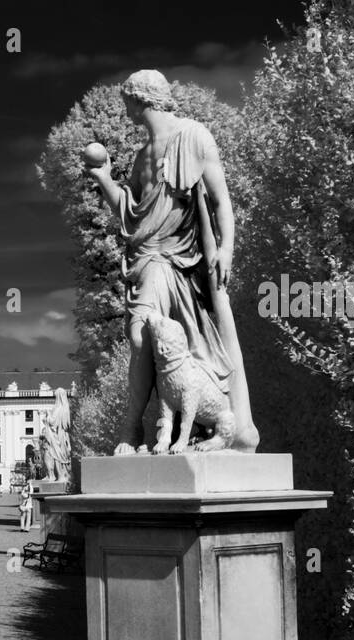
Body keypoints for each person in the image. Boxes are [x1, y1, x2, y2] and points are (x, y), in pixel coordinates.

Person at [84, 68, 257, 453]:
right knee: (139, 336)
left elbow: (220, 199)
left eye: (127, 100)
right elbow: (130, 213)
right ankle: (134, 431)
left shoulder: (194, 136)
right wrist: (102, 177)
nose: (125, 108)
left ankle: (154, 429)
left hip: (183, 259)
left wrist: (226, 248)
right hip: (150, 258)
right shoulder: (142, 154)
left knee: (155, 340)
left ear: (140, 98)